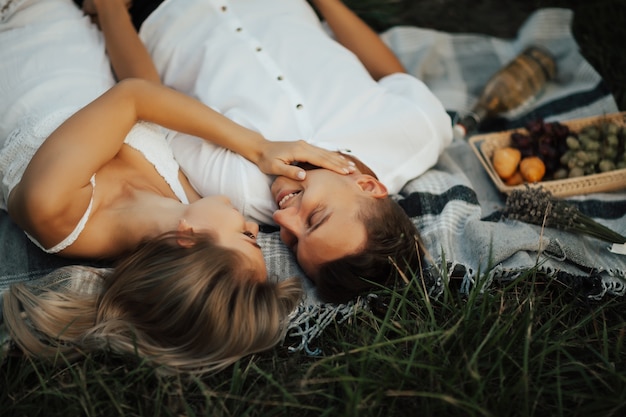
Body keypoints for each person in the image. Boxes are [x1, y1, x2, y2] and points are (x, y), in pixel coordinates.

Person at [0, 0, 353, 373]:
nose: (258, 227)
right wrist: (110, 13)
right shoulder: (186, 198)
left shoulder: (53, 210)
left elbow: (134, 97)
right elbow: (154, 93)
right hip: (75, 24)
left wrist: (258, 146)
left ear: (187, 238)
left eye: (247, 238)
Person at [84, 0, 454, 303]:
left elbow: (155, 103)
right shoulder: (420, 131)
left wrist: (111, 10)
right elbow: (395, 79)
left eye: (292, 241)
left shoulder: (240, 188)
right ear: (370, 187)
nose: (283, 220)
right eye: (316, 218)